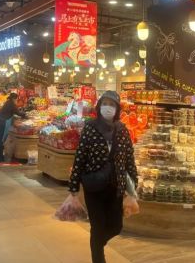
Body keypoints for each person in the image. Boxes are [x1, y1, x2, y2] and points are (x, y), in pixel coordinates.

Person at [69, 91, 138, 263]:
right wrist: (73, 188)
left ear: (117, 109)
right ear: (99, 106)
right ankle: (98, 257)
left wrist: (133, 188)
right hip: (94, 187)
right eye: (105, 104)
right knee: (97, 228)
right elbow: (80, 157)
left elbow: (129, 159)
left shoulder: (122, 130)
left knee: (116, 226)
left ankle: (97, 245)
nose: (108, 107)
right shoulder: (90, 128)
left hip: (116, 187)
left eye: (112, 104)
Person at [0, 93, 26, 162]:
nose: (16, 101)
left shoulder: (8, 102)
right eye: (16, 99)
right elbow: (18, 113)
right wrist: (25, 114)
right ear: (14, 99)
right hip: (0, 123)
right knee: (0, 140)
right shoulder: (12, 104)